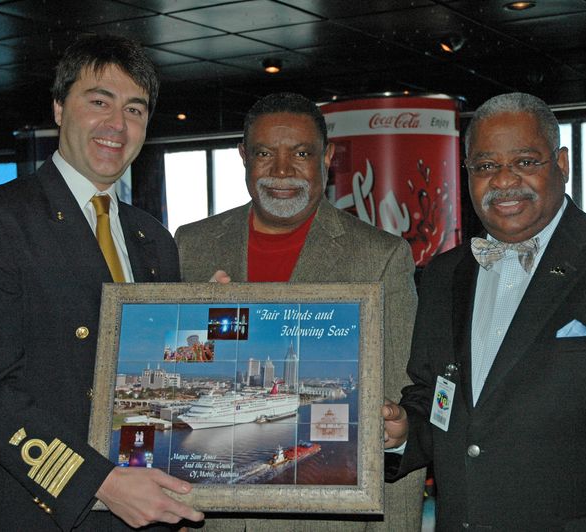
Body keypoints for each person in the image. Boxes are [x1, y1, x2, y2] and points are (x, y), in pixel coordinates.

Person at [383, 92, 586, 530]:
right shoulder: (444, 274)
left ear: (563, 164)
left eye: (525, 161)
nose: (503, 180)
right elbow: (436, 394)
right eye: (485, 165)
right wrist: (406, 431)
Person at [0, 35, 204, 531]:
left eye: (134, 109)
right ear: (60, 108)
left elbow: (160, 378)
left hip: (149, 506)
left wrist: (207, 327)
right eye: (98, 101)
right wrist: (98, 481)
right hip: (46, 509)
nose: (117, 126)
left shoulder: (155, 240)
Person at [174, 92, 425, 531]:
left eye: (302, 153)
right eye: (265, 153)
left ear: (327, 156)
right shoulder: (191, 245)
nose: (282, 171)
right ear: (243, 157)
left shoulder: (380, 256)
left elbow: (397, 410)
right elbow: (178, 355)